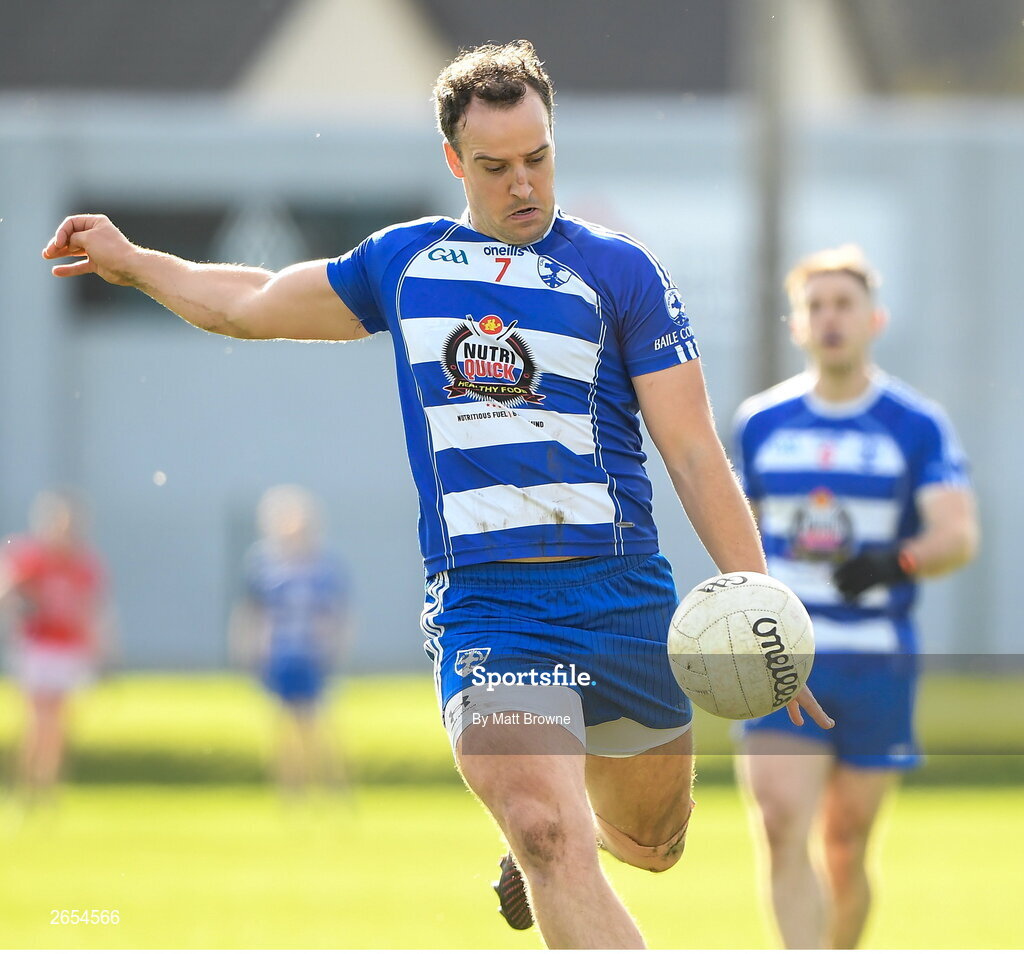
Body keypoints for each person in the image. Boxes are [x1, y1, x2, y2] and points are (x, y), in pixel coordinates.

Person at [41, 40, 832, 948]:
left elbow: (693, 451)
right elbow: (252, 298)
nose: (523, 184)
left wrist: (764, 607)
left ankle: (561, 847)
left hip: (621, 594)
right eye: (495, 167)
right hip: (489, 608)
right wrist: (138, 260)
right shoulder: (404, 266)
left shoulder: (622, 273)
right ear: (455, 162)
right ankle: (545, 842)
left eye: (538, 158)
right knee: (546, 828)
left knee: (653, 844)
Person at [732, 244, 979, 949]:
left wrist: (893, 562)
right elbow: (735, 530)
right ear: (796, 325)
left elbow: (956, 534)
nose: (830, 318)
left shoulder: (914, 424)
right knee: (781, 824)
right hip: (785, 659)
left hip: (876, 662)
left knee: (845, 845)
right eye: (816, 306)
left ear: (874, 319)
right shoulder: (761, 423)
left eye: (844, 305)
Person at [229, 485, 351, 796]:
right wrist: (247, 646)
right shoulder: (264, 563)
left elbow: (337, 613)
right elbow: (251, 611)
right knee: (283, 727)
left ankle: (332, 787)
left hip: (311, 653)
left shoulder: (323, 566)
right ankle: (291, 791)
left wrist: (335, 646)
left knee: (317, 724)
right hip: (279, 653)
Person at [0, 489, 113, 803]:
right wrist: (22, 604)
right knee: (37, 722)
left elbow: (94, 609)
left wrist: (101, 648)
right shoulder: (30, 557)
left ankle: (48, 787)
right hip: (38, 645)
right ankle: (27, 787)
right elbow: (7, 593)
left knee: (58, 725)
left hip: (68, 647)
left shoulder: (83, 563)